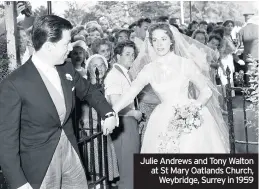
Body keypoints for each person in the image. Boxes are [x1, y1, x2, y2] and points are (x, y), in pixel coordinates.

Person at [0, 15, 117, 189]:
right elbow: (5, 141)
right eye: (66, 44)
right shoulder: (13, 84)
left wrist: (108, 112)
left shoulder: (67, 68)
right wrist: (19, 183)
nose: (71, 48)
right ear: (48, 46)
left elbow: (89, 91)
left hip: (71, 152)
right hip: (39, 165)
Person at [112, 23, 230, 153]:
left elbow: (206, 91)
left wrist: (192, 110)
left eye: (163, 39)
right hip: (161, 119)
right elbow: (131, 92)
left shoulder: (185, 64)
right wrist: (112, 111)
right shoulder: (149, 69)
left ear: (171, 41)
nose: (159, 44)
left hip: (188, 116)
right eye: (155, 40)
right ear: (151, 43)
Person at [104, 41, 142, 189]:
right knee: (128, 168)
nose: (131, 57)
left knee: (131, 167)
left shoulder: (123, 73)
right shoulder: (114, 75)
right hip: (124, 123)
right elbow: (115, 105)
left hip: (129, 122)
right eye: (127, 54)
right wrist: (135, 113)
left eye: (133, 54)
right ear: (117, 56)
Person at [82, 54, 119, 183]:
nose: (99, 68)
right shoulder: (85, 86)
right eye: (95, 65)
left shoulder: (107, 85)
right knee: (96, 173)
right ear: (88, 68)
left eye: (102, 65)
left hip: (104, 132)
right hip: (92, 133)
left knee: (104, 173)